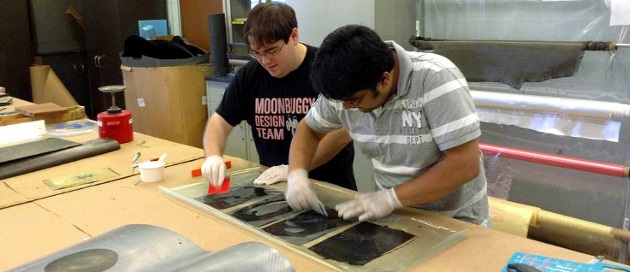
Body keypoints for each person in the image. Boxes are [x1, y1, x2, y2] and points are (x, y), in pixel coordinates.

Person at [286, 24, 490, 226]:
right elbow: (309, 130)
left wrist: (391, 198)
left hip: (456, 220)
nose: (346, 108)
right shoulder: (345, 90)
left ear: (384, 79)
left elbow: (464, 163)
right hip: (398, 217)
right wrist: (297, 174)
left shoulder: (435, 77)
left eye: (354, 100)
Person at [201, 3, 356, 191]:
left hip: (327, 187)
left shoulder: (325, 69)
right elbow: (219, 122)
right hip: (275, 188)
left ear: (294, 36)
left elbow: (345, 130)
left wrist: (296, 168)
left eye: (272, 51)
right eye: (256, 53)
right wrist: (213, 155)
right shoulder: (250, 76)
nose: (265, 61)